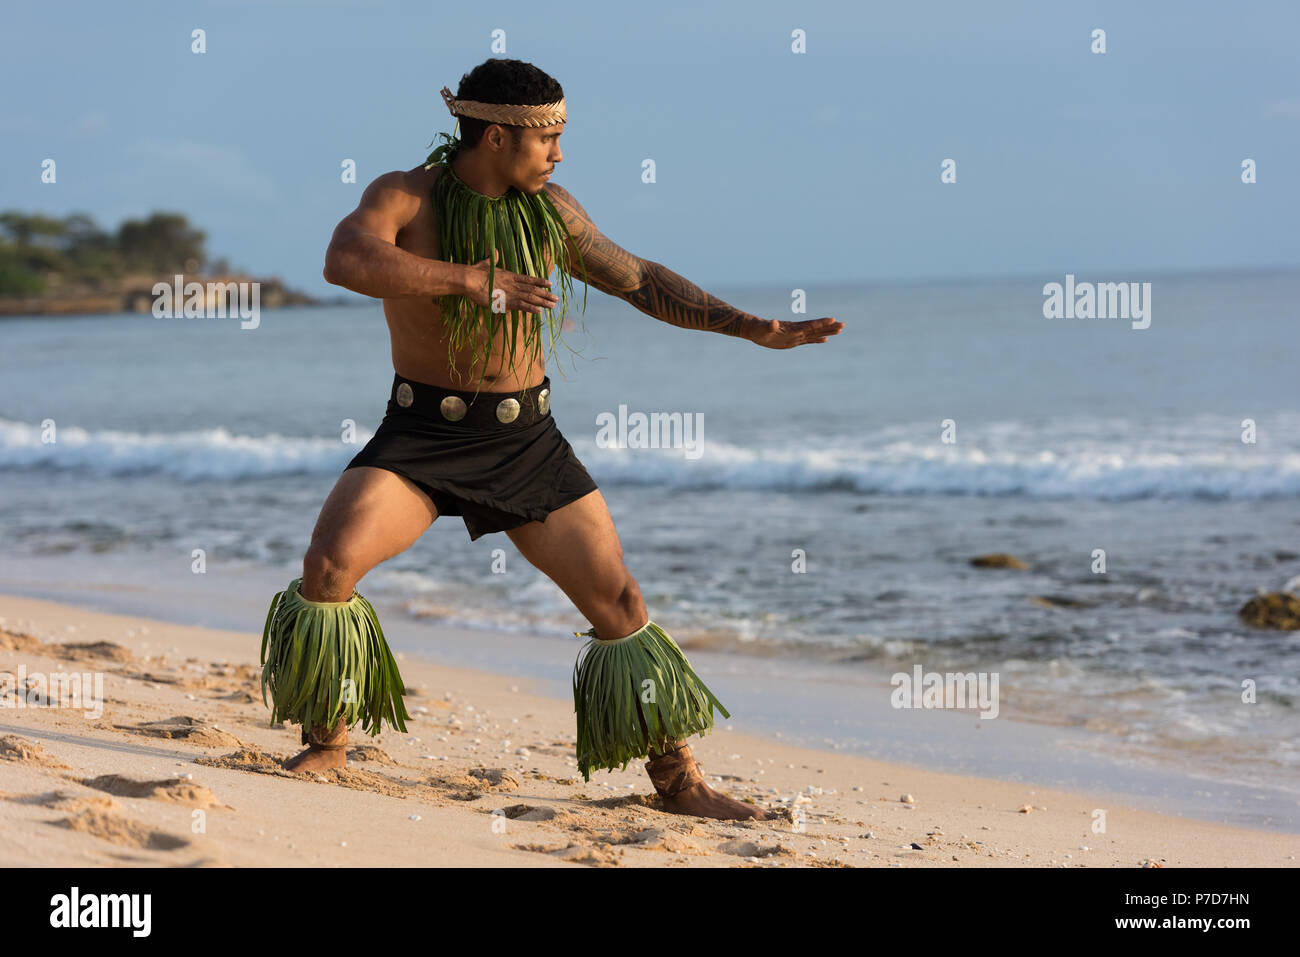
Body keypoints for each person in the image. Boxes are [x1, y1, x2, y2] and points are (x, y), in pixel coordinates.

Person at [259, 57, 843, 820]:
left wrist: (749, 326)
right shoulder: (405, 194)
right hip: (420, 435)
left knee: (621, 602)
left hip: (523, 440)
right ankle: (329, 743)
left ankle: (679, 780)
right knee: (329, 567)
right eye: (550, 139)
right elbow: (347, 259)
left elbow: (640, 279)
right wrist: (473, 281)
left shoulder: (552, 211)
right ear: (498, 137)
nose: (559, 154)